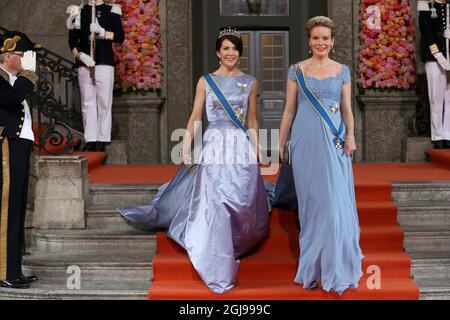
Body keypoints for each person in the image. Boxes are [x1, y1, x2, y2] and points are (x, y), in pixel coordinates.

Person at [117, 27, 270, 294]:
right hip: (213, 145)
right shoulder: (206, 81)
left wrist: (258, 148)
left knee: (241, 196)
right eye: (226, 48)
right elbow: (196, 116)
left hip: (239, 146)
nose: (230, 52)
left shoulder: (251, 82)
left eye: (234, 48)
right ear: (218, 53)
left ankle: (236, 240)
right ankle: (216, 254)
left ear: (239, 53)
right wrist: (187, 147)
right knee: (216, 200)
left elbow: (253, 119)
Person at [277, 16, 363, 295]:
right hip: (304, 142)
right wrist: (282, 143)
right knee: (312, 206)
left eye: (325, 37)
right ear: (309, 41)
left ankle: (335, 264)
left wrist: (351, 136)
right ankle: (314, 267)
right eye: (316, 38)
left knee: (334, 205)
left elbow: (347, 109)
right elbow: (289, 110)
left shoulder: (342, 70)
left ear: (333, 41)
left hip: (335, 140)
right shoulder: (296, 70)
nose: (321, 42)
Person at [0, 31, 40, 289]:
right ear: (8, 56)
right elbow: (14, 98)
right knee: (7, 210)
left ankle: (13, 269)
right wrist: (29, 74)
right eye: (23, 55)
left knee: (17, 210)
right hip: (7, 148)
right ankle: (4, 271)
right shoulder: (5, 80)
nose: (26, 60)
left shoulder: (12, 80)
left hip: (19, 147)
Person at [67, 0, 124, 152]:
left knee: (104, 102)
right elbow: (72, 40)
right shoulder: (79, 12)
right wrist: (80, 55)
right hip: (85, 63)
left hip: (104, 62)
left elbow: (120, 36)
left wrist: (103, 32)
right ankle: (91, 138)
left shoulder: (112, 10)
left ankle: (103, 138)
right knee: (87, 103)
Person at [418, 0, 450, 149]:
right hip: (433, 57)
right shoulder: (426, 3)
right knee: (436, 97)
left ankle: (448, 134)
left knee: (449, 97)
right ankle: (437, 136)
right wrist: (438, 55)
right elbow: (426, 30)